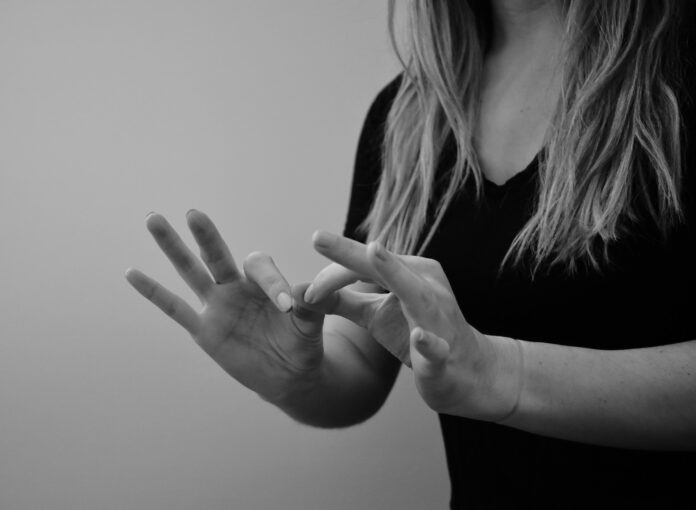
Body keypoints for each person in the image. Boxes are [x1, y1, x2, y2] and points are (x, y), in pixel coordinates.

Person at [126, 0, 696, 507]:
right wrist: (297, 375)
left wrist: (504, 374)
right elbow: (368, 351)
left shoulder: (680, 72)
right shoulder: (408, 114)